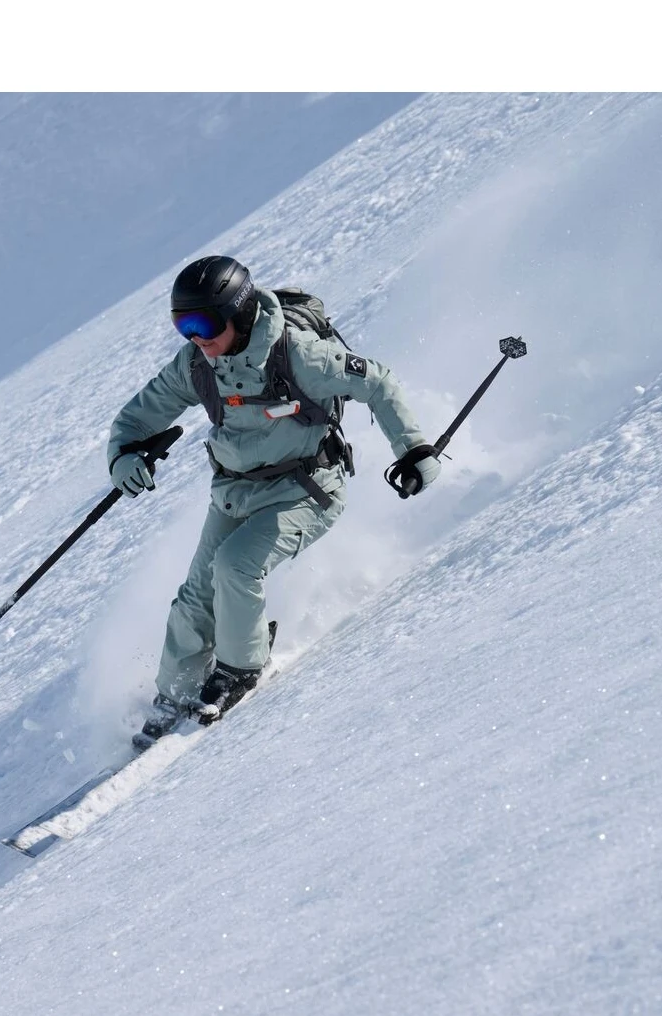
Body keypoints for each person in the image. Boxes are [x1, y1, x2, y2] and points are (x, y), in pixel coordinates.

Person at [108, 254, 439, 746]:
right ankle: (175, 691)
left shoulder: (297, 355)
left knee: (236, 566)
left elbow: (376, 381)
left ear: (238, 314)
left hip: (305, 489)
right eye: (183, 326)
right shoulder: (197, 364)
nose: (196, 338)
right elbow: (136, 419)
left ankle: (239, 669)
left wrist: (414, 450)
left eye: (204, 324)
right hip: (233, 493)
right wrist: (124, 456)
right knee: (197, 594)